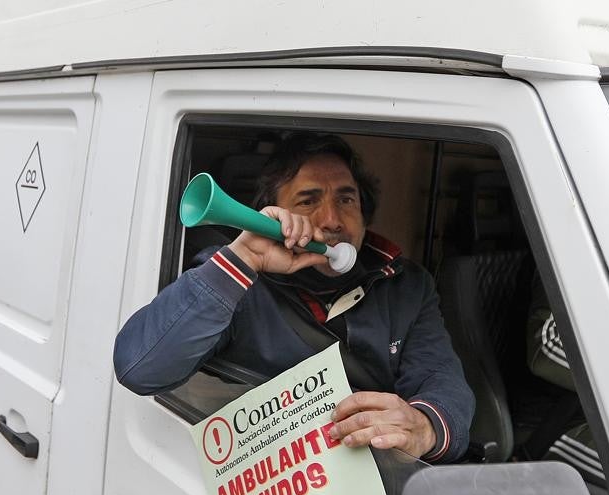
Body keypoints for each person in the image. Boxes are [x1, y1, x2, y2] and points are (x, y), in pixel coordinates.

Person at [113, 134, 474, 462]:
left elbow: (441, 376)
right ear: (278, 215)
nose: (331, 219)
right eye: (308, 200)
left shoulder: (407, 285)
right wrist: (247, 256)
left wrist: (425, 426)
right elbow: (140, 368)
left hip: (377, 486)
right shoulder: (232, 278)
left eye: (346, 199)